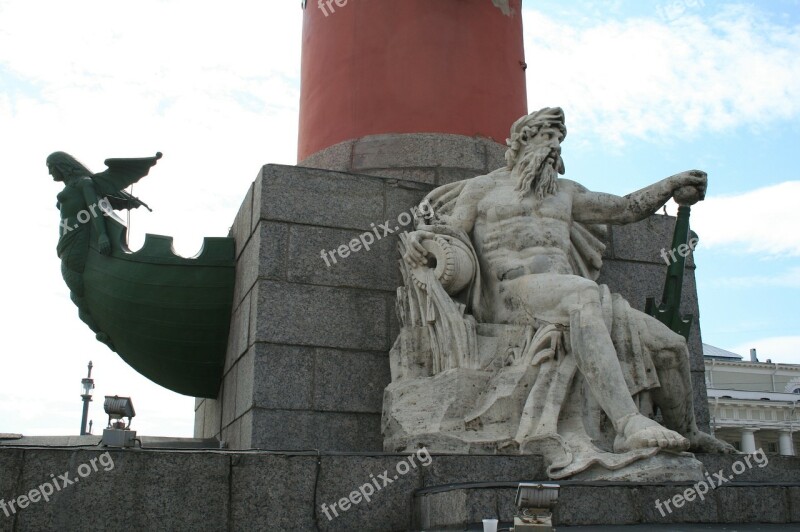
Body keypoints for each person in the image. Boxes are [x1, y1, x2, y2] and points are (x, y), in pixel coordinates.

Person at [402, 108, 731, 458]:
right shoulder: (482, 189)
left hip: (569, 293)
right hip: (513, 295)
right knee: (582, 295)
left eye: (559, 139)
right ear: (520, 143)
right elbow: (448, 231)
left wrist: (670, 184)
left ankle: (688, 432)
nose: (555, 146)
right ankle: (628, 425)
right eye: (547, 137)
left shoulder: (567, 193)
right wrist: (419, 244)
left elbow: (625, 209)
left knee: (671, 345)